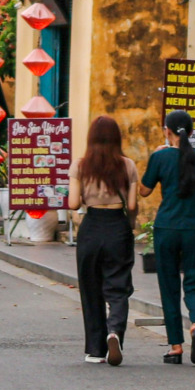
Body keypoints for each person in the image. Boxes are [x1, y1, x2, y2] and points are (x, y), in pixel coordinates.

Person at [141, 110, 195, 365]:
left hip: (166, 228)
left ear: (167, 131)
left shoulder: (160, 157)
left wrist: (155, 158)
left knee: (168, 286)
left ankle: (176, 347)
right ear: (191, 133)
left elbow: (144, 191)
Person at [69, 116, 139, 365]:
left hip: (91, 228)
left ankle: (96, 350)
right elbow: (131, 205)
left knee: (91, 287)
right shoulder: (128, 165)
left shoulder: (80, 166)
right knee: (118, 286)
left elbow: (74, 203)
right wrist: (130, 228)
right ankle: (115, 332)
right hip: (117, 227)